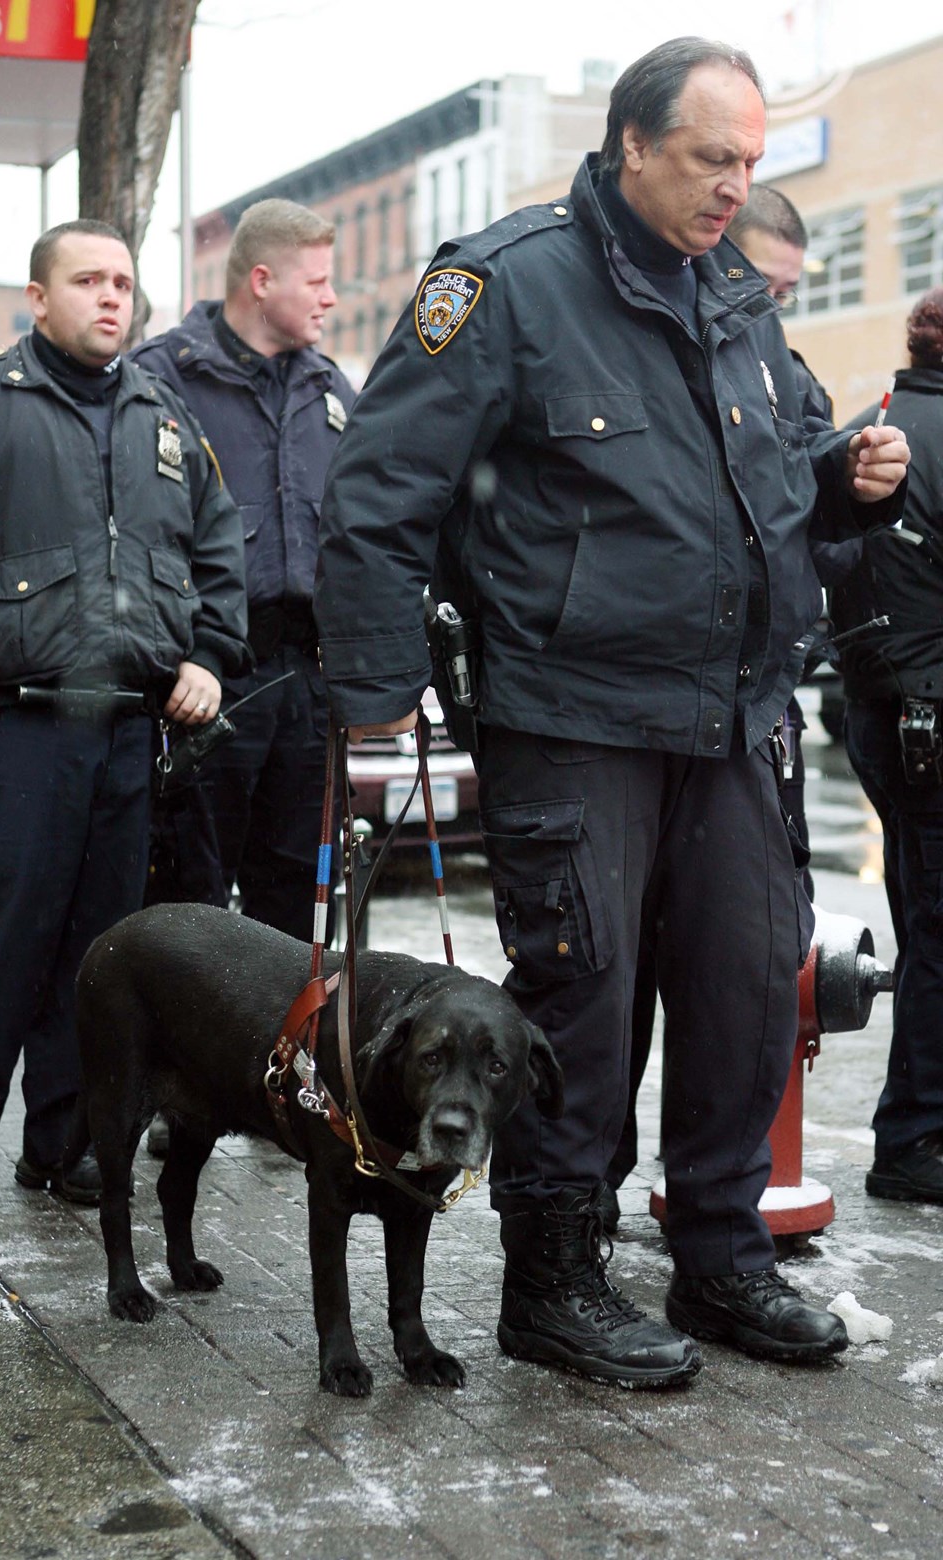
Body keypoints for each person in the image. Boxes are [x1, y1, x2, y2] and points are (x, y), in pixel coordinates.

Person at [314, 37, 909, 1388]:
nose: (733, 189)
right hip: (573, 718)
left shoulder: (733, 292)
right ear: (632, 143)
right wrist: (368, 697)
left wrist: (837, 478)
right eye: (713, 161)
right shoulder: (505, 285)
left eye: (751, 163)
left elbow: (737, 495)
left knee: (748, 994)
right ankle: (553, 1282)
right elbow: (377, 496)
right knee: (577, 1013)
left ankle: (720, 1260)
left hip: (734, 718)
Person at [0, 220, 248, 1219]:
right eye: (87, 280)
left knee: (103, 954)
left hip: (132, 733)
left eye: (123, 282)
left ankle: (67, 1141)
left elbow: (221, 559)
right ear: (37, 297)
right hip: (20, 726)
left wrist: (209, 660)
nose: (111, 298)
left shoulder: (165, 421)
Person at [600, 183, 842, 1227]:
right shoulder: (629, 342)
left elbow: (801, 517)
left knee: (739, 972)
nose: (771, 302)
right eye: (763, 281)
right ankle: (580, 1214)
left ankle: (714, 1221)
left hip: (750, 712)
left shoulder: (777, 367)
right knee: (603, 986)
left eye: (786, 289)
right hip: (621, 712)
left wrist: (851, 482)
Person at [133, 199, 354, 931]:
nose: (331, 298)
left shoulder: (331, 390)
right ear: (261, 280)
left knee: (295, 909)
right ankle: (185, 1053)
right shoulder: (160, 381)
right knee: (189, 903)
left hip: (309, 684)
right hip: (204, 685)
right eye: (317, 282)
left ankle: (279, 1051)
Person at [834, 287, 943, 1207]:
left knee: (927, 924)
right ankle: (914, 1139)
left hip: (890, 715)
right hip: (925, 714)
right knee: (939, 933)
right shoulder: (921, 432)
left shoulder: (885, 424)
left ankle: (916, 1129)